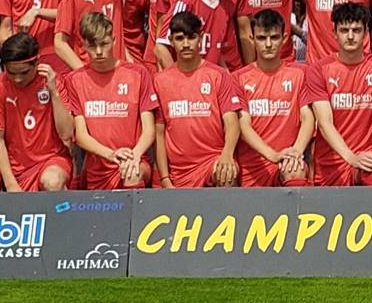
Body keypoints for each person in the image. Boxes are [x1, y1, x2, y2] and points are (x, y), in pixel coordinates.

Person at [58, 11, 156, 190]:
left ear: (114, 40)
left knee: (132, 173)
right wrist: (111, 154)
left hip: (135, 158)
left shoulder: (138, 74)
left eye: (104, 44)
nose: (99, 52)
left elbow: (149, 130)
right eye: (92, 46)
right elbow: (80, 135)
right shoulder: (74, 80)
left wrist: (134, 155)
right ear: (83, 45)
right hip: (99, 166)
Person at [151, 12, 240, 189]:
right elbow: (159, 134)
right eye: (179, 38)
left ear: (200, 38)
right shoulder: (160, 81)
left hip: (212, 161)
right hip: (178, 172)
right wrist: (165, 178)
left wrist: (227, 155)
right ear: (171, 40)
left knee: (227, 174)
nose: (185, 44)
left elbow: (232, 123)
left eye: (191, 38)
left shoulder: (218, 75)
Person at [234, 10, 318, 187]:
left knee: (295, 170)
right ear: (252, 38)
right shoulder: (239, 78)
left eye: (274, 37)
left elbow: (307, 117)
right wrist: (272, 154)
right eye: (262, 38)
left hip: (288, 159)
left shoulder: (300, 74)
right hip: (254, 166)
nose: (268, 44)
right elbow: (243, 126)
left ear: (285, 37)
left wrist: (296, 152)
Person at [309, 4, 372, 186]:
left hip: (368, 158)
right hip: (333, 163)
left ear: (366, 32)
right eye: (344, 30)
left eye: (356, 30)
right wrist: (351, 157)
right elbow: (324, 123)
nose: (351, 36)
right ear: (335, 32)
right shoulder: (318, 70)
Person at [0, 33, 71, 193]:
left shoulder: (52, 82)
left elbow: (66, 133)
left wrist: (54, 93)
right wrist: (10, 183)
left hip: (51, 159)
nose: (17, 79)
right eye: (11, 73)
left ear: (37, 62)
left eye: (23, 72)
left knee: (53, 181)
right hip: (17, 170)